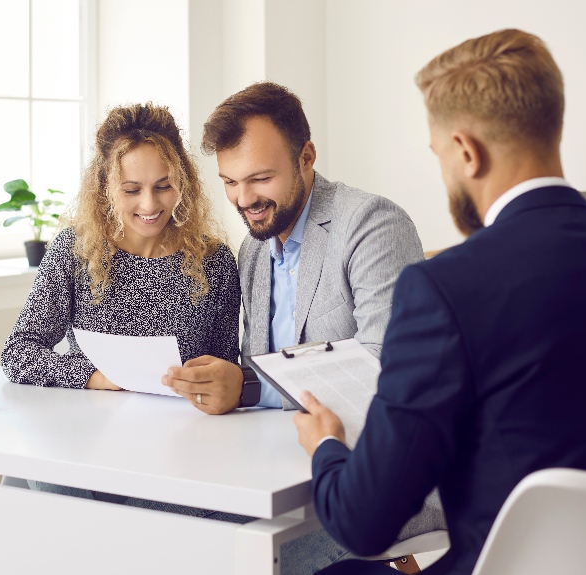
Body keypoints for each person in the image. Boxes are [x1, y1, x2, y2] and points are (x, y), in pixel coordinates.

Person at [294, 29, 586, 575]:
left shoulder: (443, 290)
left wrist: (326, 446)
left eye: (440, 155)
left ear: (467, 152)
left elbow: (363, 522)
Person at [163, 82, 439, 573]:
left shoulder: (372, 224)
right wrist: (233, 384)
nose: (244, 198)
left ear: (306, 156)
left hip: (372, 484)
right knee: (170, 528)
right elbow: (261, 368)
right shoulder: (253, 250)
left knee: (224, 557)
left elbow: (385, 373)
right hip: (279, 471)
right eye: (230, 181)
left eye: (261, 178)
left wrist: (248, 389)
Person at [1, 101, 240, 399]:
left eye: (164, 186)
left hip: (185, 422)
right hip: (94, 421)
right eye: (131, 190)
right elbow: (18, 353)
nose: (149, 205)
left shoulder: (214, 261)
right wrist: (96, 378)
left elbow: (226, 369)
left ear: (183, 182)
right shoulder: (76, 251)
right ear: (105, 187)